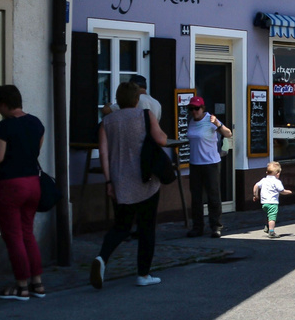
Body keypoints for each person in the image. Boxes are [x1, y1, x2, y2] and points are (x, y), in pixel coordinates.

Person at [92, 81, 170, 290]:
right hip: (145, 180)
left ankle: (102, 258)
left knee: (121, 226)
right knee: (146, 228)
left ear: (118, 99)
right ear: (137, 99)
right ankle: (143, 274)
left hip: (120, 181)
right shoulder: (145, 115)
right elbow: (161, 140)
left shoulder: (107, 121)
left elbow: (104, 154)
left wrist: (109, 181)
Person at [0, 84, 46, 301]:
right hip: (33, 183)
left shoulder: (5, 127)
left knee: (13, 236)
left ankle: (21, 286)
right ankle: (37, 283)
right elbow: (36, 151)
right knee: (27, 233)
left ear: (3, 104)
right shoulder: (36, 123)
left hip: (9, 185)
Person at [184, 96, 233, 238]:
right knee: (196, 197)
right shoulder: (191, 121)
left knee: (213, 196)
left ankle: (216, 226)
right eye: (191, 109)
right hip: (195, 163)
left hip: (211, 163)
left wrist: (218, 124)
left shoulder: (210, 120)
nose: (194, 112)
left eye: (197, 108)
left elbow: (228, 133)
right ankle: (197, 227)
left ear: (202, 108)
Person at [253, 161, 291, 237]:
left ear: (267, 172)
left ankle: (267, 226)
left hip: (264, 203)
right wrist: (288, 192)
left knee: (269, 215)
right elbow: (281, 191)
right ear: (277, 174)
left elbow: (256, 186)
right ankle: (271, 232)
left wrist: (255, 195)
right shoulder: (277, 182)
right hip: (273, 203)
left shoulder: (263, 180)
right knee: (272, 218)